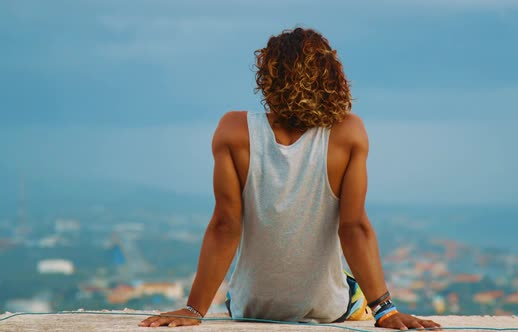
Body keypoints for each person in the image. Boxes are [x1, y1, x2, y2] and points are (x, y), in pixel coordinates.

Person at [139, 27, 441, 330]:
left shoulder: (233, 130)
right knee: (349, 286)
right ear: (331, 78)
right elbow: (354, 229)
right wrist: (385, 310)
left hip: (250, 305)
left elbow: (225, 226)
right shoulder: (348, 133)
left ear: (268, 78)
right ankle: (366, 305)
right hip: (327, 308)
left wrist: (193, 309)